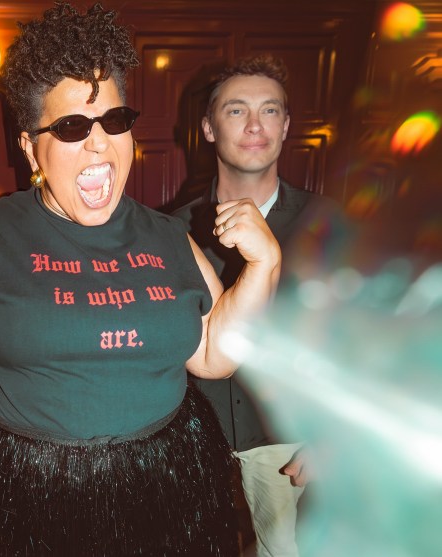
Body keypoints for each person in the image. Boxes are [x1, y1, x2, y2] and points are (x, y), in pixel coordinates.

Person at [0, 4, 280, 555]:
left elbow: (215, 354)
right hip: (17, 497)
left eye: (115, 122)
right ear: (30, 148)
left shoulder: (168, 236)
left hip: (159, 492)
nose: (99, 144)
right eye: (71, 127)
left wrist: (265, 267)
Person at [173, 54, 347, 557]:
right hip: (193, 455)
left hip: (290, 452)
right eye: (235, 111)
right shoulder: (171, 230)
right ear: (207, 127)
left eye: (270, 111)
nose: (254, 125)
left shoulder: (331, 225)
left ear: (287, 125)